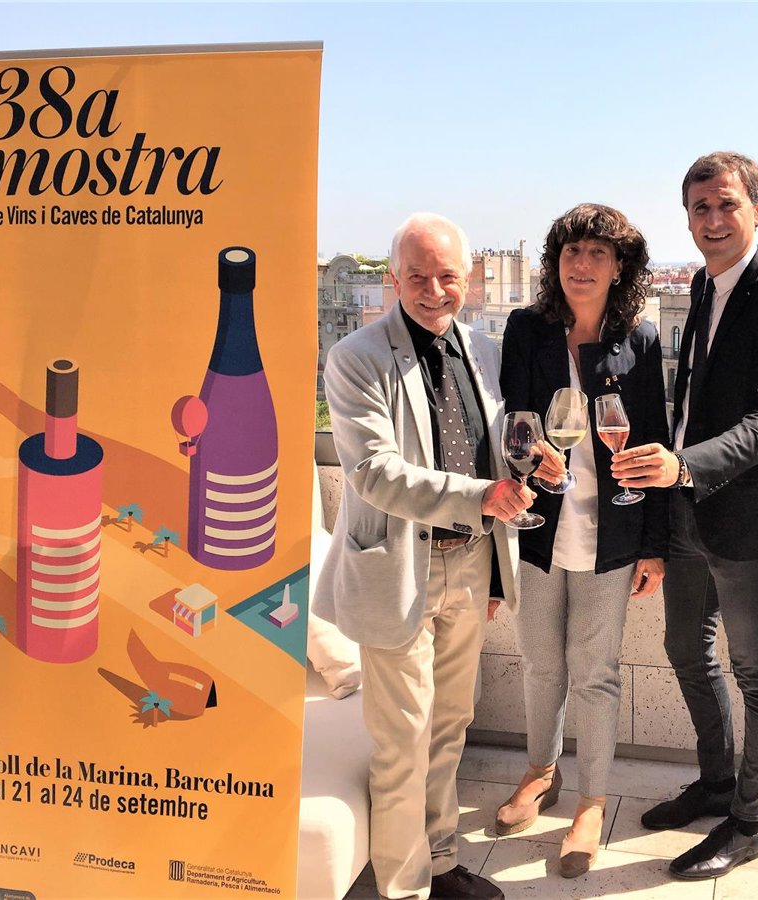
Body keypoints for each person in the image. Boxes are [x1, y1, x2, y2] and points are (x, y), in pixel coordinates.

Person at [314, 212, 552, 900]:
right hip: (397, 570)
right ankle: (404, 888)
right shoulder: (356, 357)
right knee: (403, 740)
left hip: (471, 563)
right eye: (416, 275)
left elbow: (499, 444)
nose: (433, 289)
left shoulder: (485, 351)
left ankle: (440, 863)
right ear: (393, 279)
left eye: (447, 275)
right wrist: (483, 497)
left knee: (449, 727)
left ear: (469, 279)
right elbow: (374, 473)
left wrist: (536, 461)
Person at [611, 152, 758, 881]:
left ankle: (749, 823)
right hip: (688, 509)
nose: (714, 220)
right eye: (700, 208)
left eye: (727, 204)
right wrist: (673, 486)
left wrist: (685, 464)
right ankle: (717, 782)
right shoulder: (701, 284)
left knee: (757, 672)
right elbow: (693, 399)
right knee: (685, 649)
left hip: (749, 518)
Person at [494, 203, 669, 878]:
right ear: (556, 263)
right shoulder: (527, 329)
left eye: (598, 253)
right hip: (540, 525)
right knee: (541, 662)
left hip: (612, 531)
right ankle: (541, 772)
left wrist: (655, 545)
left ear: (620, 267)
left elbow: (654, 441)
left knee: (595, 672)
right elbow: (513, 419)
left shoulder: (639, 341)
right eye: (572, 252)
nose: (583, 264)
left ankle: (591, 803)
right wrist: (527, 453)